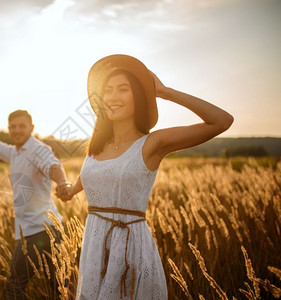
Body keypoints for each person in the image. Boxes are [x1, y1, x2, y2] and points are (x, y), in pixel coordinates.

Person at [56, 54, 234, 299]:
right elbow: (93, 177)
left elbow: (222, 121)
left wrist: (164, 91)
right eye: (107, 90)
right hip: (94, 249)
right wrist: (69, 189)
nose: (112, 97)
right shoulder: (97, 145)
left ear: (138, 97)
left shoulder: (152, 143)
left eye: (123, 89)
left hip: (131, 247)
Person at [0, 110, 70, 299]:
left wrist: (62, 183)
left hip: (39, 230)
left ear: (32, 128)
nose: (17, 130)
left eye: (22, 126)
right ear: (9, 129)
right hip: (42, 229)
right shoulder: (15, 153)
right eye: (13, 127)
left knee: (16, 287)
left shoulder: (38, 149)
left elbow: (53, 166)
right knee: (59, 288)